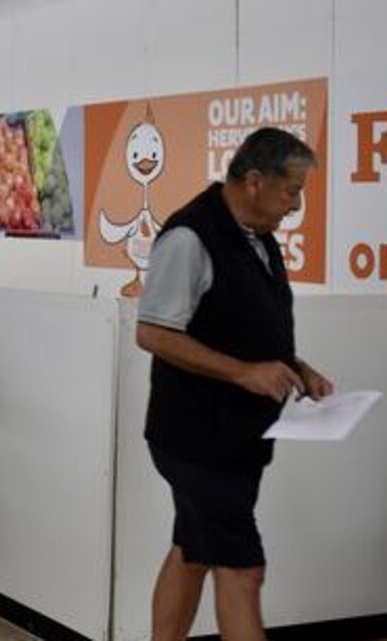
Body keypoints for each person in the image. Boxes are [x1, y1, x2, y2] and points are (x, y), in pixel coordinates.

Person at [138, 127, 333, 641]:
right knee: (243, 569)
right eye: (292, 190)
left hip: (234, 441)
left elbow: (243, 325)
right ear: (253, 181)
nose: (296, 204)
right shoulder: (189, 238)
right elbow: (153, 332)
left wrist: (295, 366)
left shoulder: (257, 237)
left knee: (192, 551)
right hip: (195, 441)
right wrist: (245, 372)